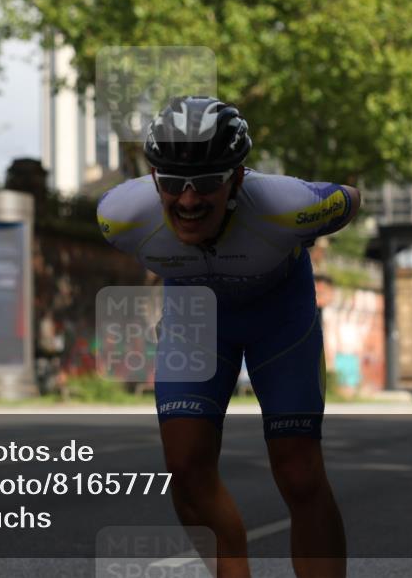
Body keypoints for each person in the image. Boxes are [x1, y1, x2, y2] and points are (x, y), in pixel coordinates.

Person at [97, 96, 359, 578]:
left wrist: (306, 236)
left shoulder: (286, 205)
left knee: (299, 473)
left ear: (237, 178)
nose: (188, 200)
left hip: (279, 317)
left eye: (207, 183)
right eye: (172, 183)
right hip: (195, 319)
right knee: (185, 469)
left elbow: (350, 198)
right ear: (153, 177)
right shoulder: (121, 216)